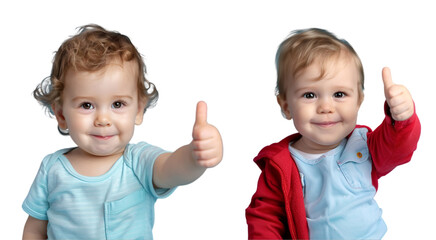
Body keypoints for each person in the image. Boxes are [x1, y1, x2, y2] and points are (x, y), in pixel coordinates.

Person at [22, 24, 223, 240]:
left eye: (117, 104)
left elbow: (173, 168)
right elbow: (35, 229)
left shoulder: (139, 162)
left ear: (138, 110)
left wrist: (195, 156)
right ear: (61, 115)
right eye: (87, 105)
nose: (103, 120)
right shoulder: (51, 170)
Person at [246, 28, 421, 239]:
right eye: (309, 95)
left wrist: (401, 117)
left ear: (359, 101)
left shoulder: (364, 145)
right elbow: (265, 219)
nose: (326, 107)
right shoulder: (281, 165)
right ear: (286, 106)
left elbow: (398, 147)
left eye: (339, 94)